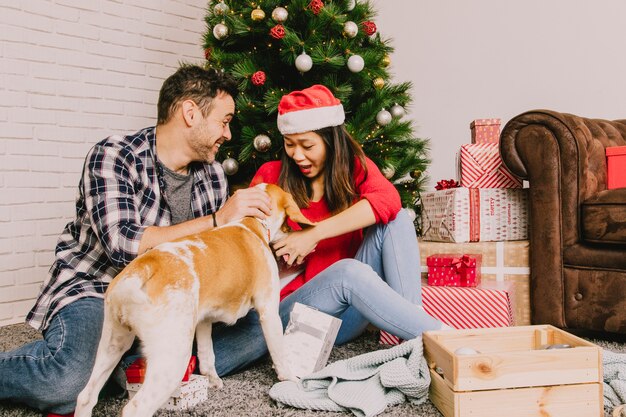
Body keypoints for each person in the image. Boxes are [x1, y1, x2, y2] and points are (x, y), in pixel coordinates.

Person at [0, 65, 272, 415]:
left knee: (257, 329)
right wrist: (219, 219)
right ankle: (119, 363)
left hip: (171, 296)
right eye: (224, 121)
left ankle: (127, 362)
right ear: (191, 113)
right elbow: (123, 246)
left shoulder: (214, 175)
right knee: (66, 383)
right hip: (96, 288)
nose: (229, 134)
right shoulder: (114, 154)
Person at [208, 84, 447, 377]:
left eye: (307, 146)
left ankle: (417, 338)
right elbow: (242, 244)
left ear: (331, 140)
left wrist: (313, 233)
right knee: (347, 274)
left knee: (396, 220)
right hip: (293, 316)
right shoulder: (270, 177)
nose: (297, 155)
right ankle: (450, 343)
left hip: (347, 312)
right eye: (289, 144)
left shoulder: (354, 169)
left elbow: (389, 201)